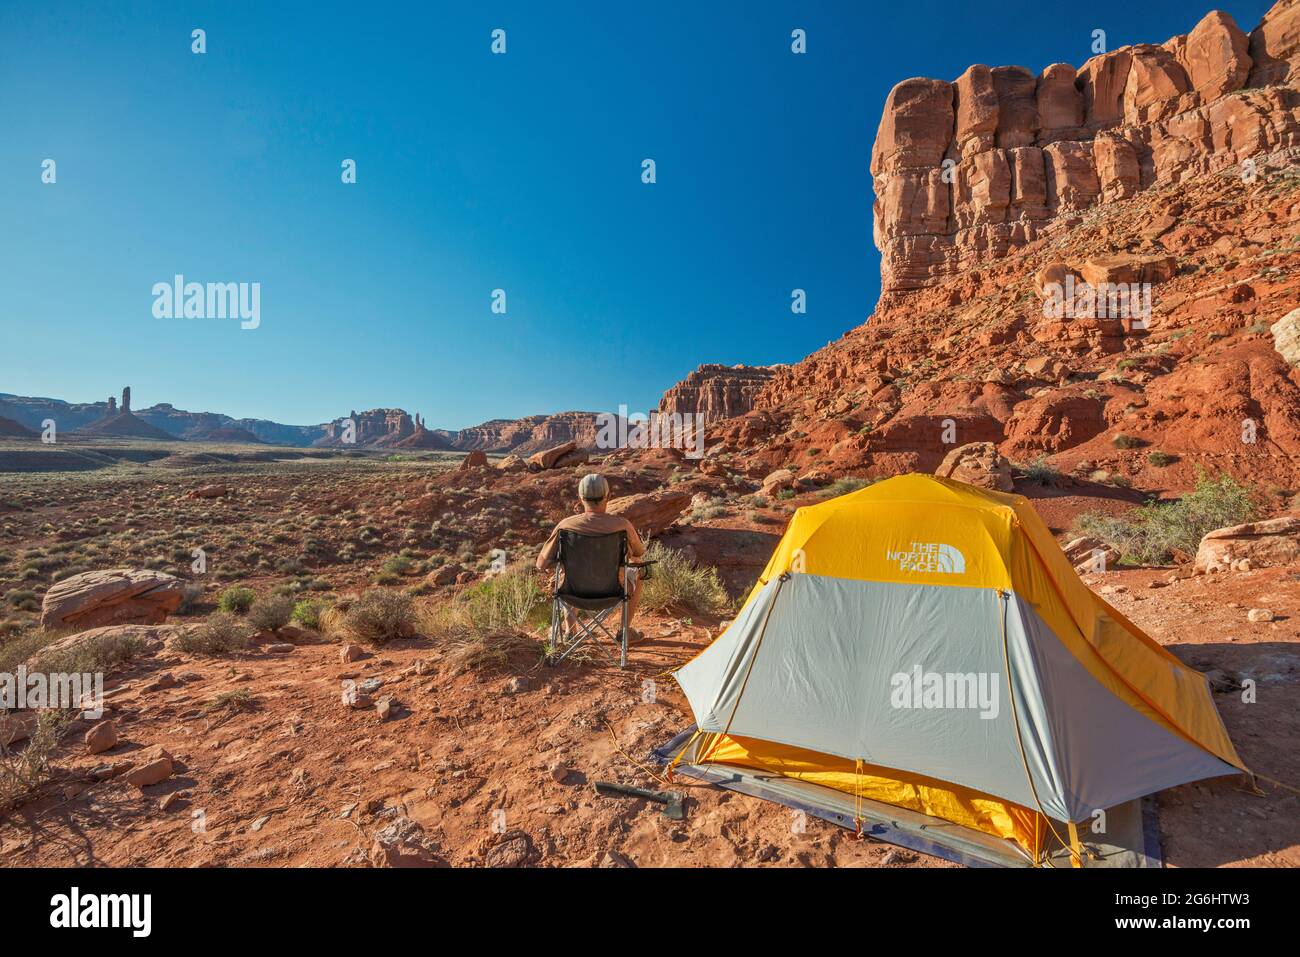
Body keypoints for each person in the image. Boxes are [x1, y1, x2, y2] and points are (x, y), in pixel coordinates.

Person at [537, 473, 649, 644]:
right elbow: (639, 553)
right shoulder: (622, 525)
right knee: (639, 574)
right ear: (609, 496)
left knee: (567, 574)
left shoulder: (565, 526)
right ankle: (624, 631)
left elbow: (541, 564)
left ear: (580, 498)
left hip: (573, 593)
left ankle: (570, 632)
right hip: (615, 592)